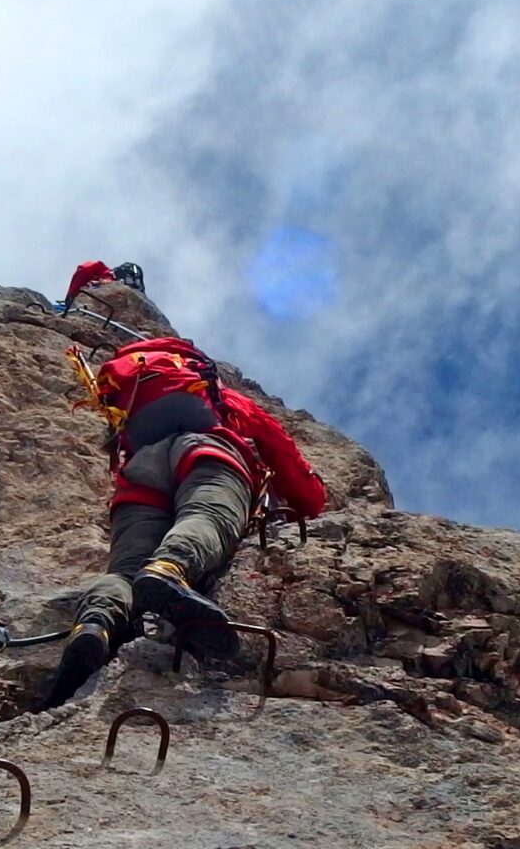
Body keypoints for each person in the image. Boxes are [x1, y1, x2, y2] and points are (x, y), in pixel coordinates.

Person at [45, 264, 328, 707]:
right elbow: (281, 453)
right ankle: (169, 570)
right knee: (207, 515)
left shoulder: (130, 393)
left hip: (140, 473)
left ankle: (95, 626)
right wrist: (313, 501)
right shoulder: (216, 392)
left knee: (122, 570)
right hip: (204, 451)